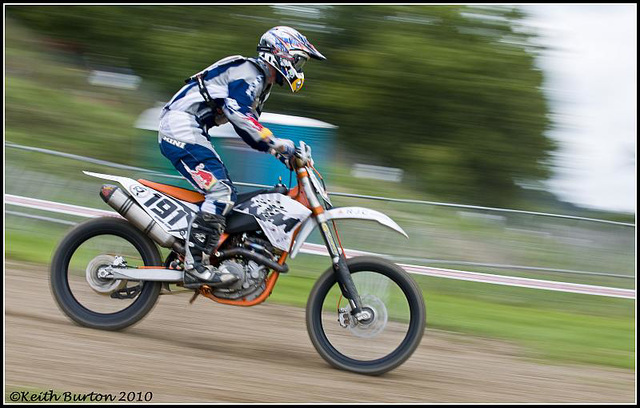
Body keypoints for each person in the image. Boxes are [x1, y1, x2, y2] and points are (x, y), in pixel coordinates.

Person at [157, 26, 325, 289]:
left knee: (226, 192)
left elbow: (248, 131)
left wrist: (279, 153)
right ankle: (194, 265)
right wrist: (280, 145)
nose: (300, 67)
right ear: (280, 53)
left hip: (190, 127)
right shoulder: (250, 73)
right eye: (298, 60)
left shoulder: (260, 82)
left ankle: (202, 253)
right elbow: (239, 116)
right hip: (181, 125)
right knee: (221, 193)